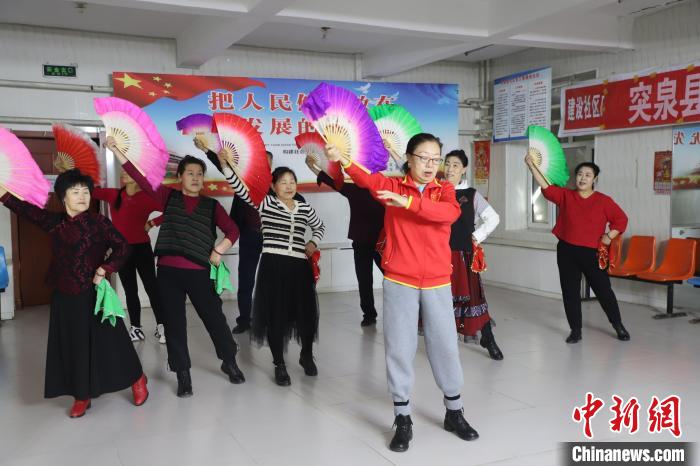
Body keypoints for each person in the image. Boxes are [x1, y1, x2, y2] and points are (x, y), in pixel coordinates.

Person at [325, 133, 478, 452]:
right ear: (408, 158)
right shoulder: (392, 186)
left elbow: (447, 215)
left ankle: (454, 411)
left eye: (435, 159)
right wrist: (344, 159)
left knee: (445, 346)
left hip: (437, 280)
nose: (430, 165)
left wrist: (408, 203)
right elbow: (367, 180)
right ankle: (403, 417)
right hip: (400, 279)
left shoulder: (444, 190)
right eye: (423, 158)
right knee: (399, 347)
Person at [0, 169, 148, 418]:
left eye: (86, 192)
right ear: (63, 196)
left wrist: (105, 268)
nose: (82, 197)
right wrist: (3, 194)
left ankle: (137, 378)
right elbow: (24, 209)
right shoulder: (54, 222)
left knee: (113, 342)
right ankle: (82, 394)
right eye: (75, 191)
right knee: (73, 344)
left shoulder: (99, 222)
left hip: (94, 293)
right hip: (64, 293)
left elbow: (123, 247)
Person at [107, 137, 245, 398]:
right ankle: (183, 374)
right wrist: (116, 150)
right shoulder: (168, 196)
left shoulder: (212, 206)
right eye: (190, 173)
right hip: (169, 274)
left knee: (215, 319)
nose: (195, 178)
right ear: (180, 177)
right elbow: (140, 177)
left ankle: (229, 361)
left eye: (199, 174)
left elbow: (233, 230)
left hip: (199, 273)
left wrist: (219, 250)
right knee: (174, 324)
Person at [218, 149, 325, 387]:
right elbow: (240, 188)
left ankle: (306, 355)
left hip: (299, 267)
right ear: (273, 186)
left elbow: (319, 227)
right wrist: (225, 166)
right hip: (273, 266)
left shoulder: (303, 206)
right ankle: (279, 365)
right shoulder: (264, 203)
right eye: (283, 182)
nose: (289, 186)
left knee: (306, 315)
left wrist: (312, 242)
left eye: (292, 181)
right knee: (276, 316)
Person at [194, 141, 304, 334]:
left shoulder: (278, 185)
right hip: (249, 236)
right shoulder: (244, 180)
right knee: (246, 279)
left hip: (273, 240)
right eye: (261, 162)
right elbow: (223, 167)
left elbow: (298, 199)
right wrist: (206, 150)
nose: (264, 166)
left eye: (267, 163)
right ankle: (245, 320)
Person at [525, 155, 630, 344]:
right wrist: (532, 167)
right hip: (567, 251)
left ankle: (618, 325)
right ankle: (575, 330)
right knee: (570, 292)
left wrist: (608, 237)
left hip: (592, 253)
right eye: (580, 174)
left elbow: (621, 220)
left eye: (588, 175)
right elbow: (547, 188)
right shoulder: (566, 195)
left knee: (604, 291)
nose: (582, 178)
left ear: (595, 179)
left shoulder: (603, 201)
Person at [305, 154, 385, 326]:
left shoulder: (385, 189)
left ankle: (400, 310)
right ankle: (369, 314)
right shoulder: (354, 189)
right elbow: (330, 180)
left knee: (392, 278)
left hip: (383, 243)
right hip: (361, 242)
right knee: (364, 279)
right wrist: (312, 166)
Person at [92, 170, 166, 343]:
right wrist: (71, 171)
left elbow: (171, 209)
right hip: (122, 251)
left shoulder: (148, 198)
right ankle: (136, 327)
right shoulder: (113, 194)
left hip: (142, 250)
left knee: (152, 288)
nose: (123, 173)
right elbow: (90, 190)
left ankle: (162, 325)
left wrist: (152, 222)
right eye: (123, 171)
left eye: (128, 172)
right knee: (130, 290)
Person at [443, 149, 502, 360]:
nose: (450, 169)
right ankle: (446, 347)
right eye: (447, 164)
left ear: (464, 169)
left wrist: (476, 237)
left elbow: (493, 218)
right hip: (439, 256)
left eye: (455, 165)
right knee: (443, 302)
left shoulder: (471, 195)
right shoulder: (435, 190)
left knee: (473, 300)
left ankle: (488, 338)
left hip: (463, 256)